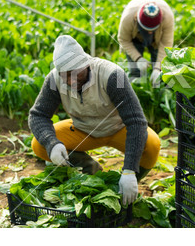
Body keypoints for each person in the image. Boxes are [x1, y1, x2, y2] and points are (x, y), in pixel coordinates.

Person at [28, 35, 161, 205]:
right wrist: (52, 143)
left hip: (117, 128)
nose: (71, 80)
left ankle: (125, 185)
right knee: (39, 145)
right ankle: (91, 169)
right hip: (83, 129)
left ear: (86, 64)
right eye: (65, 76)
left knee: (152, 146)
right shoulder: (53, 80)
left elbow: (136, 121)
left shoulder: (113, 75)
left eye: (76, 74)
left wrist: (130, 170)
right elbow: (38, 115)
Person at [118, 0, 175, 87]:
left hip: (157, 39)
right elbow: (123, 40)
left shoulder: (167, 17)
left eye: (152, 30)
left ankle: (157, 90)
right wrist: (138, 58)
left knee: (161, 71)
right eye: (146, 29)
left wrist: (157, 68)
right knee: (135, 70)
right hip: (136, 37)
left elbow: (166, 44)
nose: (149, 32)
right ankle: (135, 91)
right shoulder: (128, 18)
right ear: (137, 19)